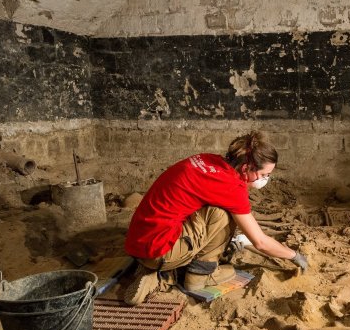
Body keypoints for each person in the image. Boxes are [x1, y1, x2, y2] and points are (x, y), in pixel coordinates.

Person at [123, 130, 308, 305]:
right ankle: (198, 275)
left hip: (138, 241)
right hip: (158, 252)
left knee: (217, 210)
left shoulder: (207, 160)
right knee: (224, 215)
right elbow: (260, 242)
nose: (265, 180)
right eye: (263, 175)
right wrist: (293, 255)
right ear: (246, 168)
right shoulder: (231, 187)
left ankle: (159, 271)